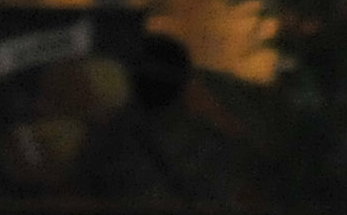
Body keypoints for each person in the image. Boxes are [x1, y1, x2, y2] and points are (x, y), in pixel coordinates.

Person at [69, 30, 241, 206]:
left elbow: (85, 189)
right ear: (186, 83)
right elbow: (217, 201)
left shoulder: (105, 134)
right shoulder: (209, 142)